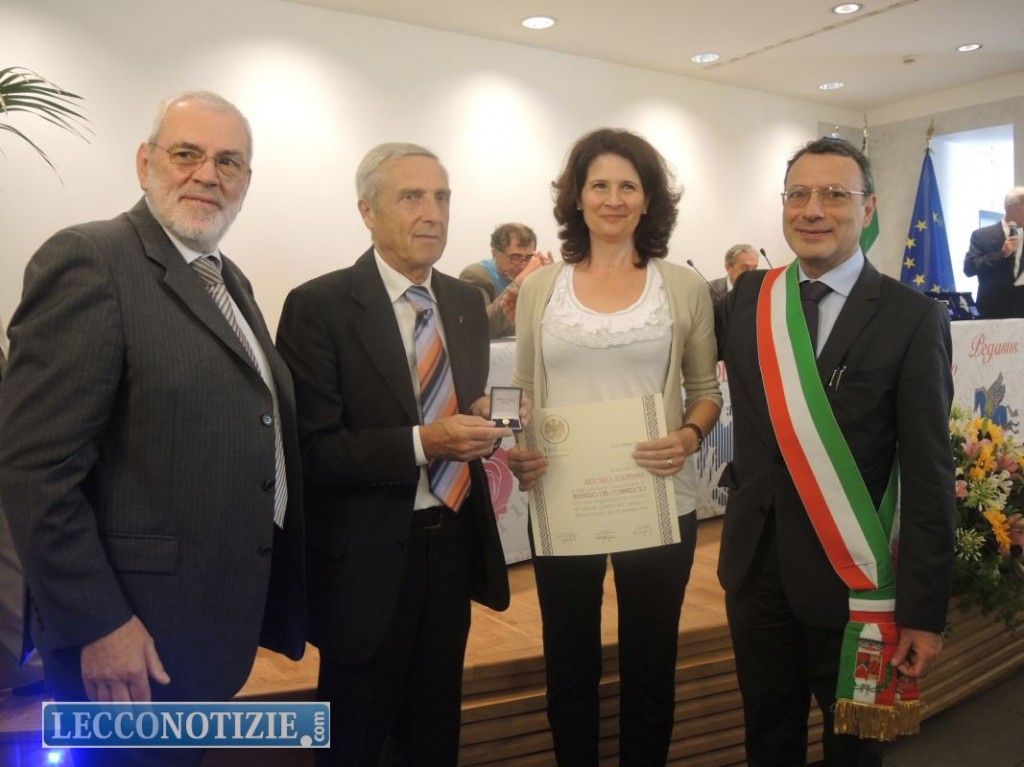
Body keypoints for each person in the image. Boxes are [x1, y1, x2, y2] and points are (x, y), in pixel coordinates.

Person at [0, 91, 306, 766]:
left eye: (229, 162)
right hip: (125, 644)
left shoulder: (227, 279)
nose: (208, 175)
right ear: (145, 163)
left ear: (246, 180)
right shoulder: (91, 258)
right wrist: (98, 622)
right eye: (186, 154)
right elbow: (36, 471)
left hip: (198, 630)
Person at [715, 137, 955, 766]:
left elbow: (930, 476)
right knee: (767, 738)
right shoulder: (749, 298)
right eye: (798, 194)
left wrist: (925, 612)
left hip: (853, 580)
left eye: (834, 194)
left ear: (868, 208)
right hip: (755, 570)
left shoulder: (912, 317)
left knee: (853, 751)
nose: (813, 209)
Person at [276, 142, 512, 767]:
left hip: (452, 545)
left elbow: (458, 401)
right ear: (367, 211)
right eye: (412, 197)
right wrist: (425, 442)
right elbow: (313, 452)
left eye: (442, 197)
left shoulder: (463, 302)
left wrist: (483, 420)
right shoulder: (318, 307)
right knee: (354, 737)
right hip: (366, 560)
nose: (432, 213)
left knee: (434, 733)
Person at [507, 128, 722, 766]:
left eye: (629, 186)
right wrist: (518, 443)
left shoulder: (683, 285)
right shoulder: (540, 288)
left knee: (651, 667)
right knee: (568, 664)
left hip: (658, 497)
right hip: (562, 498)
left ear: (649, 199)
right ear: (576, 197)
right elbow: (520, 391)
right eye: (598, 184)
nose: (613, 198)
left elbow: (706, 391)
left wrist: (688, 436)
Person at [458, 222, 552, 338]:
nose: (523, 266)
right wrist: (519, 282)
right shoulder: (475, 276)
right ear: (495, 254)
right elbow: (481, 327)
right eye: (515, 257)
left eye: (528, 257)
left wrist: (551, 286)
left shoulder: (535, 278)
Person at [963, 186, 1024, 318]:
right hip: (993, 313)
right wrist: (1001, 254)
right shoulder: (982, 235)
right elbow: (969, 268)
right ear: (1010, 208)